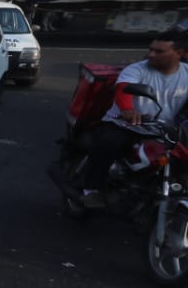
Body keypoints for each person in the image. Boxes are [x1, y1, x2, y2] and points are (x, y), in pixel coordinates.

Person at [80, 29, 188, 207]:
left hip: (161, 130)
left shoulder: (186, 74)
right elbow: (123, 89)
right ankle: (91, 190)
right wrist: (128, 110)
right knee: (109, 143)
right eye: (151, 49)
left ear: (179, 53)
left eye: (159, 51)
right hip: (124, 124)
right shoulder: (137, 69)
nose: (151, 54)